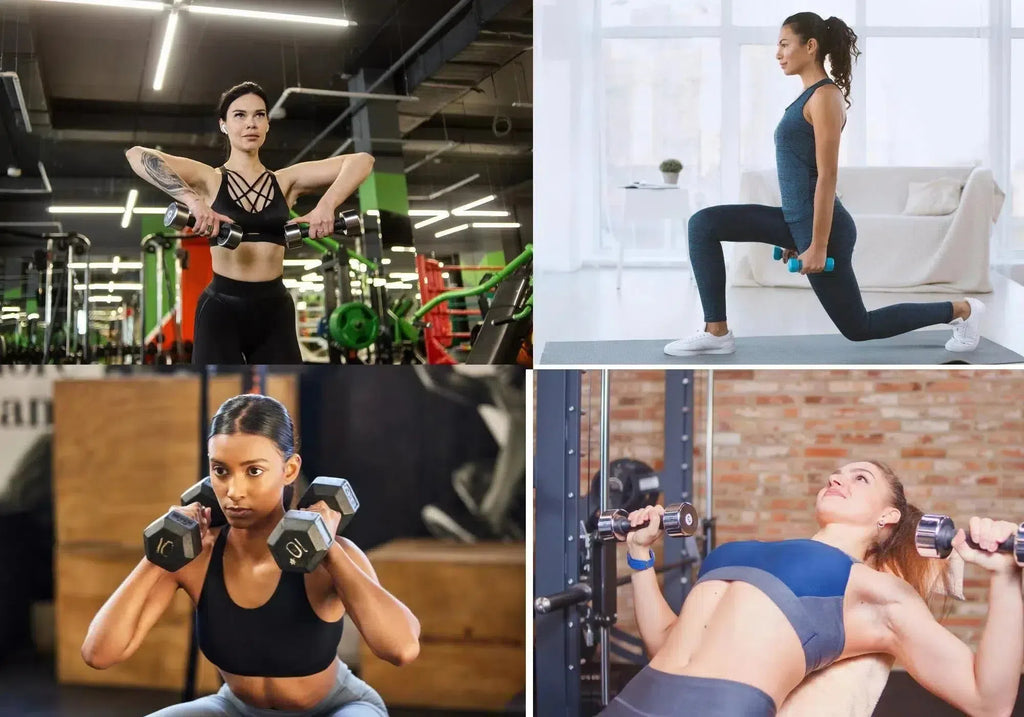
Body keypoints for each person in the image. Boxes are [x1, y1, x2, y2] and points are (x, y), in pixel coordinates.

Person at [664, 12, 985, 357]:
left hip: (825, 229)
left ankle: (963, 310)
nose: (778, 53)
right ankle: (716, 332)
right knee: (703, 224)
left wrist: (816, 244)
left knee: (859, 327)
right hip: (796, 221)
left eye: (785, 44)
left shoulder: (825, 97)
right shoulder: (807, 97)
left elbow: (827, 175)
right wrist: (792, 236)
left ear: (811, 46)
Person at [600, 461, 1023, 717]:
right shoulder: (734, 552)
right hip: (631, 702)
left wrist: (1005, 576)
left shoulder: (874, 591)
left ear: (888, 516)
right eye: (837, 474)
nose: (838, 479)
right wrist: (639, 557)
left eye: (860, 478)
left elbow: (988, 701)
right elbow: (665, 644)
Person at [82, 394, 419, 716]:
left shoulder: (333, 557)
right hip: (235, 708)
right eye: (220, 470)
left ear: (289, 470)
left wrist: (327, 546)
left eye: (253, 471)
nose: (233, 492)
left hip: (336, 707)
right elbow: (99, 653)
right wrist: (158, 555)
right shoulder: (196, 557)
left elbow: (402, 649)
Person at [126, 81, 375, 365]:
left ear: (268, 123)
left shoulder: (285, 181)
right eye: (239, 115)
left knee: (287, 399)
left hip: (275, 310)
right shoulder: (211, 178)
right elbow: (136, 155)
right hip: (221, 309)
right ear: (224, 125)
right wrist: (194, 202)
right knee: (215, 400)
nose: (250, 124)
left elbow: (361, 160)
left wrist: (326, 207)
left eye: (259, 115)